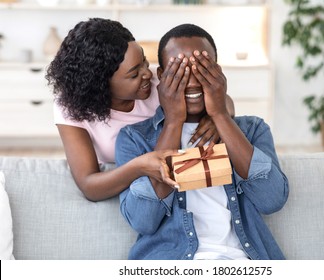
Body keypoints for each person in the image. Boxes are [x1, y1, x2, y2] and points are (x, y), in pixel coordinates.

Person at [116, 23, 289, 260]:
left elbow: (271, 199)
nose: (193, 81)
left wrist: (220, 114)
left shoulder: (253, 129)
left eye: (201, 69)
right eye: (180, 71)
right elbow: (144, 220)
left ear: (217, 72)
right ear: (162, 76)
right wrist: (174, 121)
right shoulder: (134, 139)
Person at [46, 18, 234, 202]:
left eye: (144, 61)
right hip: (124, 184)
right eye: (134, 74)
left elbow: (224, 100)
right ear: (101, 84)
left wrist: (216, 116)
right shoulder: (69, 107)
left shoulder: (160, 82)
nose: (147, 73)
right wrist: (139, 166)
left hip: (177, 179)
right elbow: (89, 186)